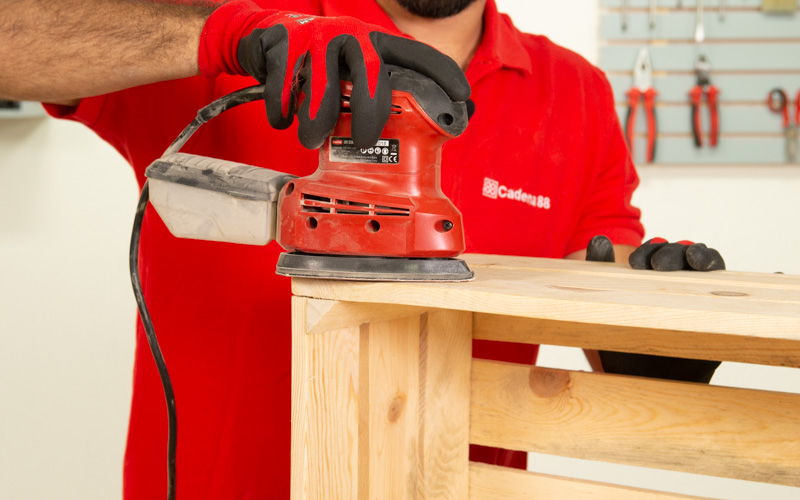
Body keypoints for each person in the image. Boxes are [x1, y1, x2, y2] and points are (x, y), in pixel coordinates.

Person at [1, 1, 645, 498]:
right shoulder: (260, 39)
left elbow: (603, 271)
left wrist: (663, 320)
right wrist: (229, 36)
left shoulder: (575, 91)